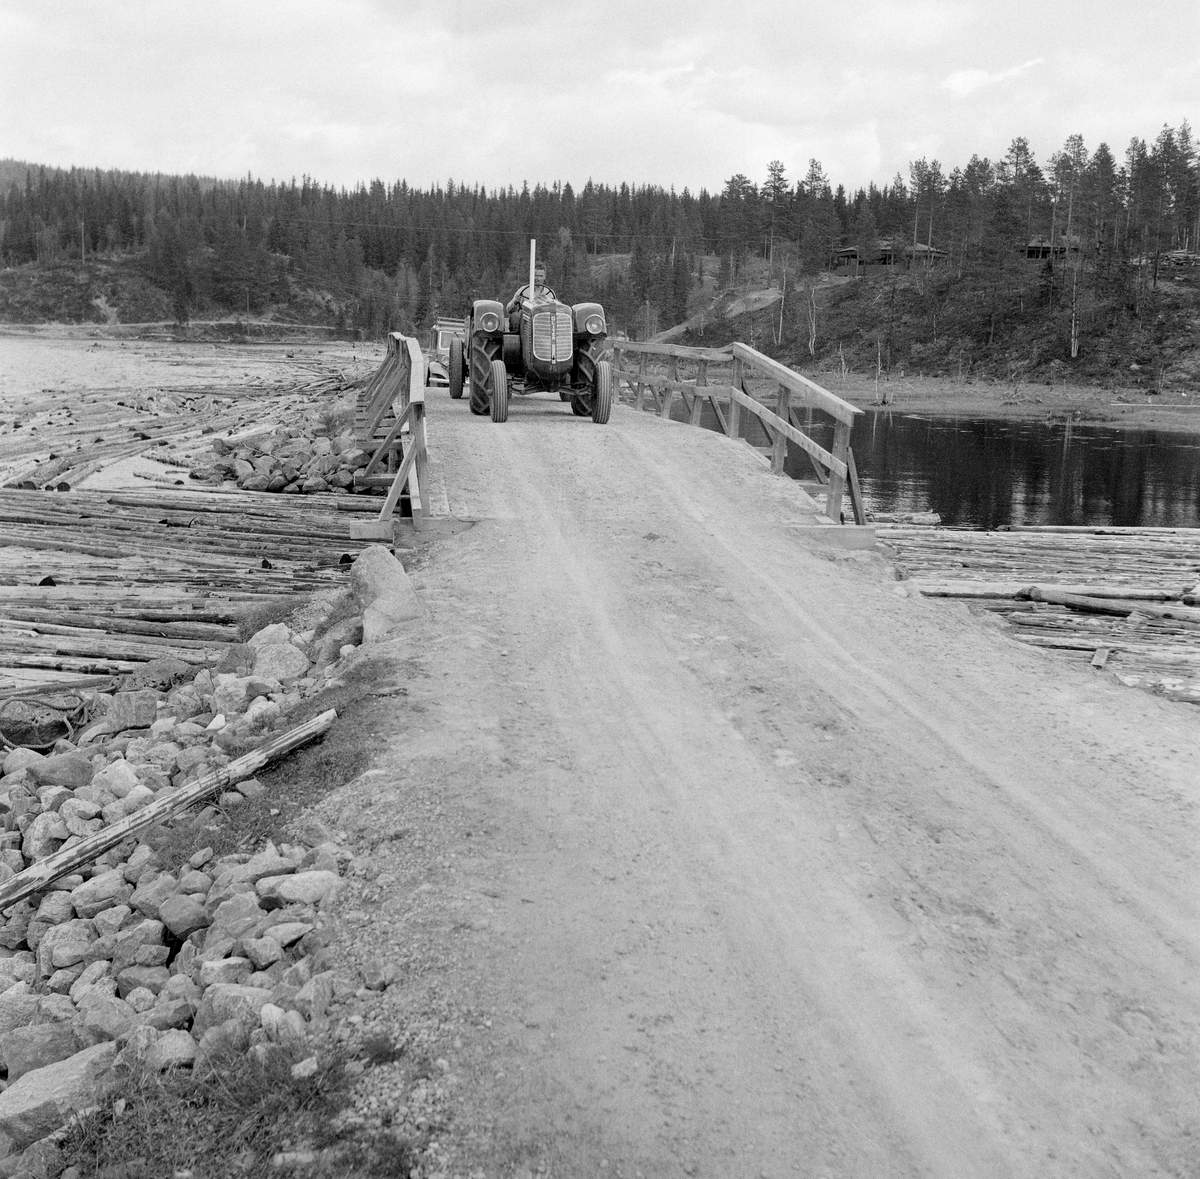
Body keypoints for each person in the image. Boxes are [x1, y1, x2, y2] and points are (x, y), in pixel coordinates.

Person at [506, 261, 555, 331]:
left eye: (541, 276)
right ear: (531, 275)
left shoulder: (549, 293)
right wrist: (515, 302)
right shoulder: (523, 291)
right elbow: (508, 309)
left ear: (545, 277)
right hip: (525, 321)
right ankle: (517, 340)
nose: (538, 279)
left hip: (544, 320)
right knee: (515, 316)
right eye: (536, 275)